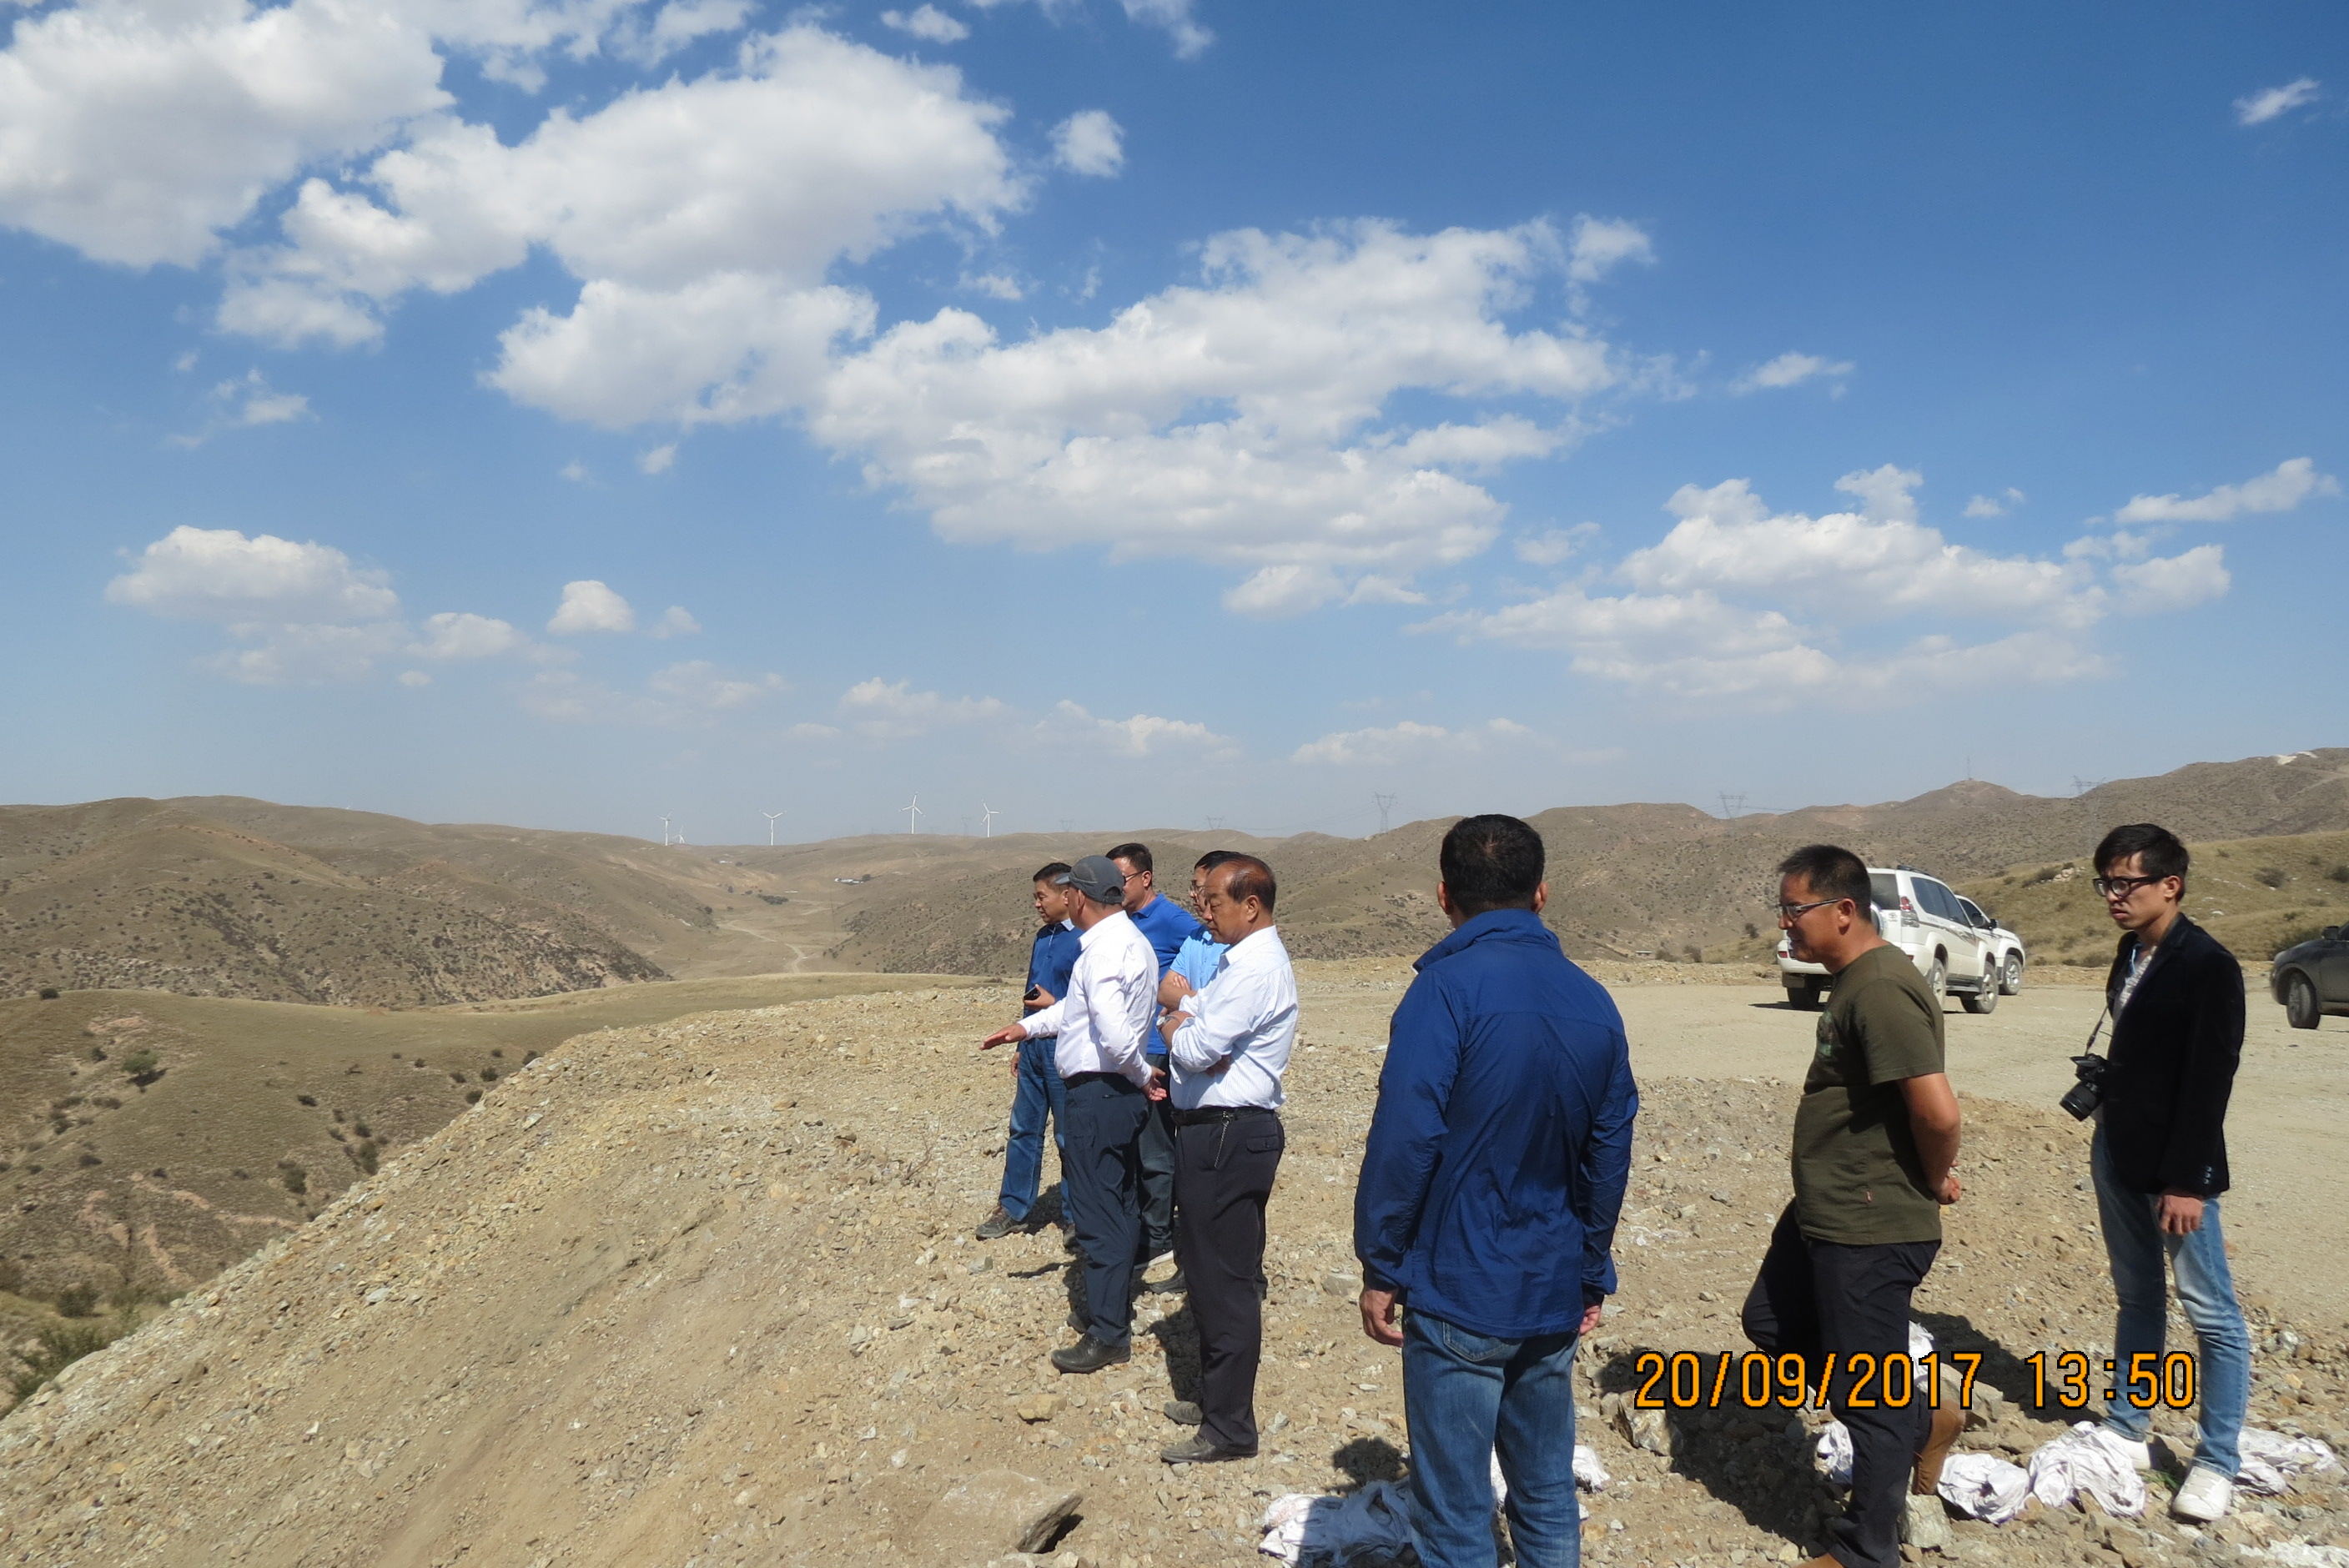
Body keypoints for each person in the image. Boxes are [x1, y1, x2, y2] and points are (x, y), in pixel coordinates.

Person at [1354, 814, 1637, 1568]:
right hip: (1550, 1284)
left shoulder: (1443, 992)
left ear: (1443, 895)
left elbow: (1406, 1137)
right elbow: (1608, 1153)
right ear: (1541, 894)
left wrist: (1382, 1263)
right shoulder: (1593, 1000)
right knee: (1545, 1493)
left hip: (1459, 1285)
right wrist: (1590, 1268)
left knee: (1455, 1515)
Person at [1742, 844, 1964, 1568]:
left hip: (1869, 1221)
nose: (1784, 924)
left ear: (1844, 910)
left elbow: (1937, 1111)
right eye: (1781, 909)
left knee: (1869, 1396)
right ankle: (1920, 1419)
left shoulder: (1881, 989)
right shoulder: (1856, 982)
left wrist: (1936, 1177)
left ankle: (1867, 1550)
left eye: (1795, 909)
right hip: (1827, 1206)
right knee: (1769, 1320)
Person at [2085, 823, 2251, 1524]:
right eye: (2106, 883)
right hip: (2118, 1150)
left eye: (2126, 883)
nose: (2114, 897)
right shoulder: (2131, 952)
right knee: (2137, 1295)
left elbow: (2211, 1081)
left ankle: (2216, 1461)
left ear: (2170, 885)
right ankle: (2128, 1426)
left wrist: (2188, 1181)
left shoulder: (2209, 966)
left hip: (2176, 1169)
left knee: (2211, 1312)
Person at [982, 856, 1158, 1374]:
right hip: (1115, 1095)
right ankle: (1111, 1307)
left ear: (1078, 897)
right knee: (1119, 1205)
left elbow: (1114, 1034)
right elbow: (1078, 1010)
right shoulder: (1126, 941)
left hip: (1099, 1093)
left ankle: (1108, 1333)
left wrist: (1142, 1074)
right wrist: (1025, 1028)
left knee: (1099, 1218)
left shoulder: (1103, 952)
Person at [1154, 854, 1294, 1465]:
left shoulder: (1255, 970)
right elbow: (1196, 1030)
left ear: (1250, 905)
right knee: (1209, 1274)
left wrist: (1177, 1029)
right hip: (1215, 1132)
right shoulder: (1238, 964)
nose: (1204, 913)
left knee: (1224, 1283)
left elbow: (1197, 1046)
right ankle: (1218, 1401)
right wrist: (1185, 1025)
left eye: (1213, 902)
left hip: (1227, 1134)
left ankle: (1230, 1428)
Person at [1107, 841, 1207, 1284]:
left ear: (1145, 878)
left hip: (1156, 1048)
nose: (1115, 889)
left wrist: (1186, 1009)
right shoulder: (1118, 920)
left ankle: (1159, 1236)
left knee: (1154, 1148)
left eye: (1121, 880)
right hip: (1126, 1048)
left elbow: (1208, 961)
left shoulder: (1173, 921)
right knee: (1128, 1144)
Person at [976, 862, 1079, 1241]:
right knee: (1023, 1129)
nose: (1037, 904)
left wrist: (1056, 1005)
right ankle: (1013, 1207)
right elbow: (1030, 994)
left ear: (1066, 895)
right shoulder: (1043, 936)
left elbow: (1089, 1001)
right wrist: (1021, 1043)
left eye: (1041, 896)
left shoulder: (1087, 939)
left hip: (1065, 1047)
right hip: (1034, 1046)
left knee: (1069, 1135)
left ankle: (1076, 1216)